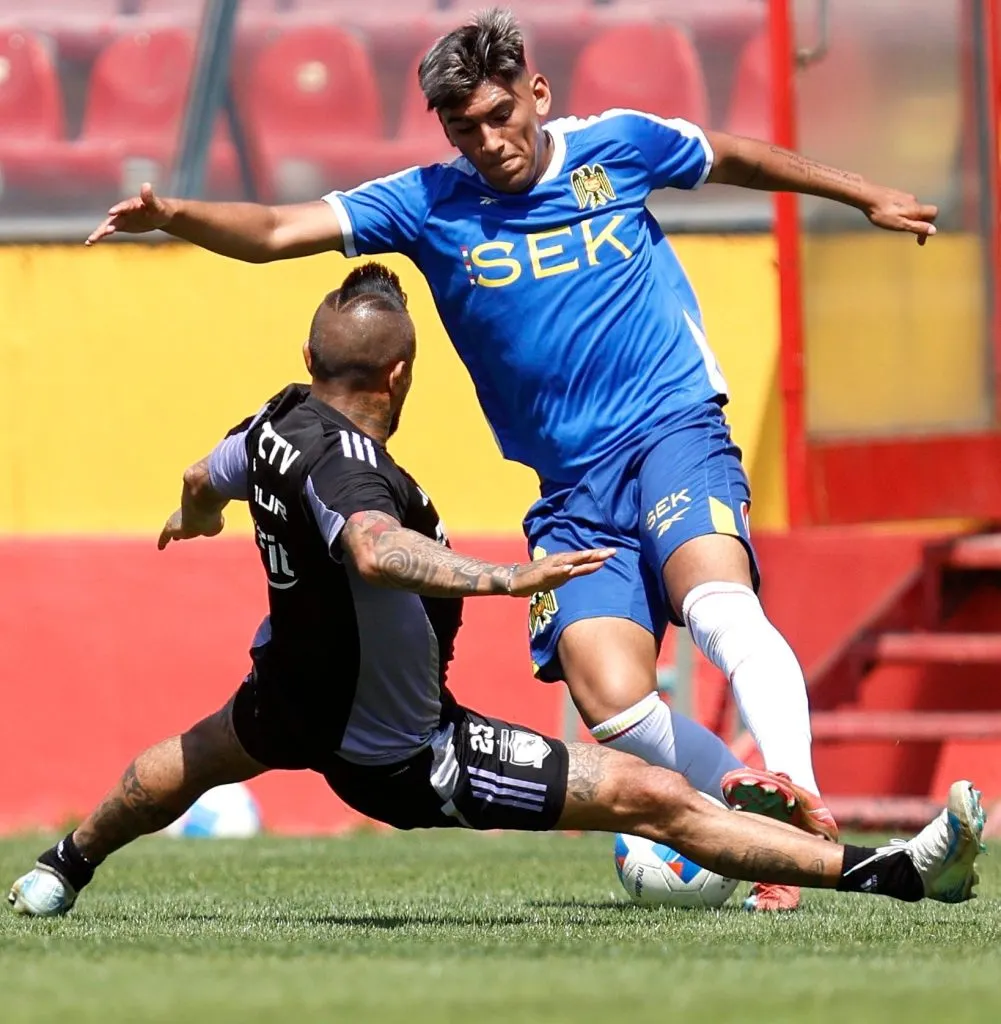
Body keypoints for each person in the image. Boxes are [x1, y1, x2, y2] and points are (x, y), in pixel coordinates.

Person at [83, 9, 943, 911]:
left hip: (670, 430)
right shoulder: (426, 201)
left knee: (716, 604)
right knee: (612, 701)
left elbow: (734, 156)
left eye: (502, 114)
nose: (490, 141)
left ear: (537, 93)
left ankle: (806, 807)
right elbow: (271, 228)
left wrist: (863, 194)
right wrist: (173, 214)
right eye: (465, 127)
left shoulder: (619, 146)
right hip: (569, 488)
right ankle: (761, 826)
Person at [8, 263, 983, 919]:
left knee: (176, 765)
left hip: (291, 700)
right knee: (649, 793)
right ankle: (890, 870)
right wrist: (505, 575)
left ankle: (62, 865)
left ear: (310, 365)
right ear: (398, 374)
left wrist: (199, 513)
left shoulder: (274, 421)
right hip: (406, 751)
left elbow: (203, 469)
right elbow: (378, 551)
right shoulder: (352, 469)